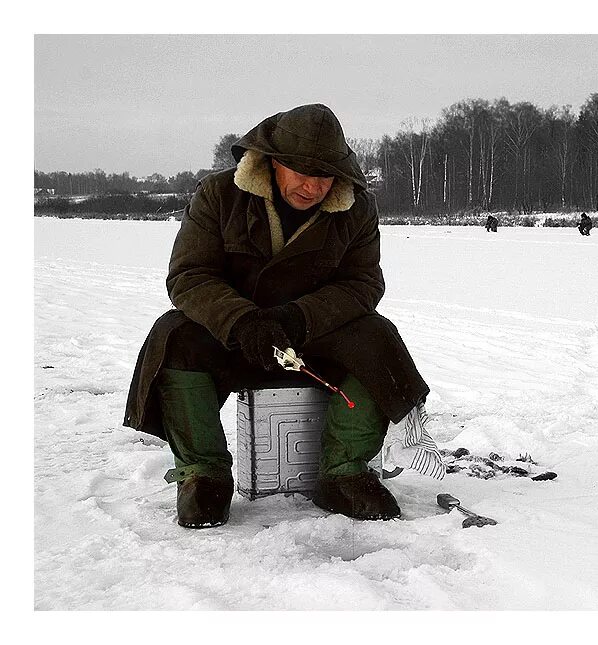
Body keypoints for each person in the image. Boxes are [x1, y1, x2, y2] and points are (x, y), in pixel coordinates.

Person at [124, 104, 436, 528]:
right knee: (173, 334)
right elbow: (189, 276)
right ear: (272, 162)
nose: (312, 187)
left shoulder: (357, 209)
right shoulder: (219, 194)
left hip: (310, 338)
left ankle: (343, 474)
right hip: (235, 339)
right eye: (300, 172)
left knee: (376, 336)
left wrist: (296, 318)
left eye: (324, 175)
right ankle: (204, 475)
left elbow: (363, 284)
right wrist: (244, 322)